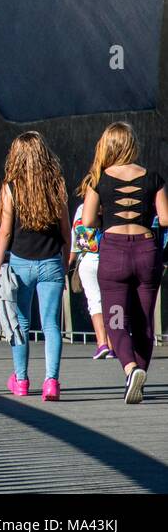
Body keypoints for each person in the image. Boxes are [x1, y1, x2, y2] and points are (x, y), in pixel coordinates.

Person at [81, 122, 168, 404]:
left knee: (115, 318)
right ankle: (139, 374)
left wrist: (108, 209)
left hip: (114, 255)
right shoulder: (153, 177)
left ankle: (130, 369)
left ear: (107, 146)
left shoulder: (98, 179)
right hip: (146, 252)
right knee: (144, 321)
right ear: (132, 144)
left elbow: (87, 221)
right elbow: (165, 219)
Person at [0, 132, 70, 401]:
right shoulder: (56, 185)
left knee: (20, 324)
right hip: (51, 263)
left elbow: (5, 232)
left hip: (20, 263)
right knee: (51, 325)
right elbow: (65, 230)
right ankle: (51, 382)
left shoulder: (11, 187)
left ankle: (22, 380)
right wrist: (65, 259)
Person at [69, 205, 111, 359]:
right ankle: (115, 344)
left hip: (88, 260)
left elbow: (76, 242)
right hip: (111, 259)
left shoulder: (82, 208)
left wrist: (68, 264)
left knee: (95, 302)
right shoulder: (113, 202)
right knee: (114, 301)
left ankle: (102, 343)